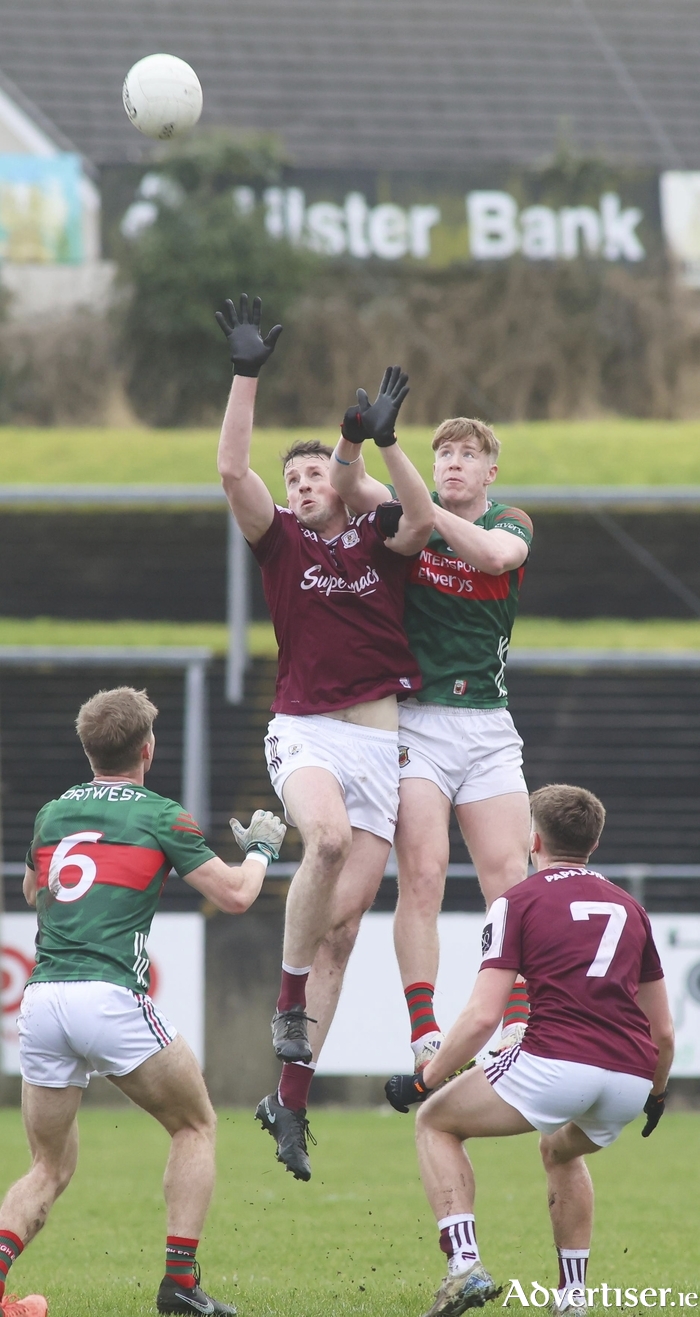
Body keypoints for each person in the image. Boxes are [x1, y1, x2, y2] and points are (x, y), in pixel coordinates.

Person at [215, 294, 434, 1181]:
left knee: (343, 934)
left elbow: (419, 517)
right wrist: (244, 374)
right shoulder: (279, 547)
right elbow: (234, 474)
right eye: (293, 478)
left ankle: (288, 1098)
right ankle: (286, 1000)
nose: (301, 486)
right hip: (305, 731)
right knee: (327, 839)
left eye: (313, 478)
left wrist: (372, 447)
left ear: (340, 490)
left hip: (380, 745)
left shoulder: (379, 540)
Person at [0, 686, 286, 1317]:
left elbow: (31, 890)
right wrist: (262, 850)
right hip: (108, 996)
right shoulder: (162, 815)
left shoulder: (52, 813)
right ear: (148, 750)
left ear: (89, 750)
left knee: (47, 1166)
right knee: (195, 1124)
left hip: (42, 1000)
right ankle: (180, 1285)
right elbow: (237, 896)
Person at [384, 784, 675, 1317]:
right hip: (631, 1079)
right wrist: (655, 1095)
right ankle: (572, 1297)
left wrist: (426, 1078)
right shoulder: (631, 908)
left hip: (556, 1063)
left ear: (533, 839)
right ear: (593, 842)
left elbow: (481, 1017)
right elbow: (664, 1034)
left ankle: (464, 1266)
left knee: (435, 1122)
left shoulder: (516, 900)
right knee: (560, 1150)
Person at [330, 415, 534, 1066]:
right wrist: (357, 437)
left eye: (466, 454)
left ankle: (518, 1020)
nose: (451, 462)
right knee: (423, 875)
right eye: (442, 452)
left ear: (489, 472)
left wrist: (421, 511)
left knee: (510, 877)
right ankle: (426, 1034)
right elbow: (347, 485)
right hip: (418, 719)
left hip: (489, 724)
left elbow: (495, 558)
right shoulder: (405, 516)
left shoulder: (511, 521)